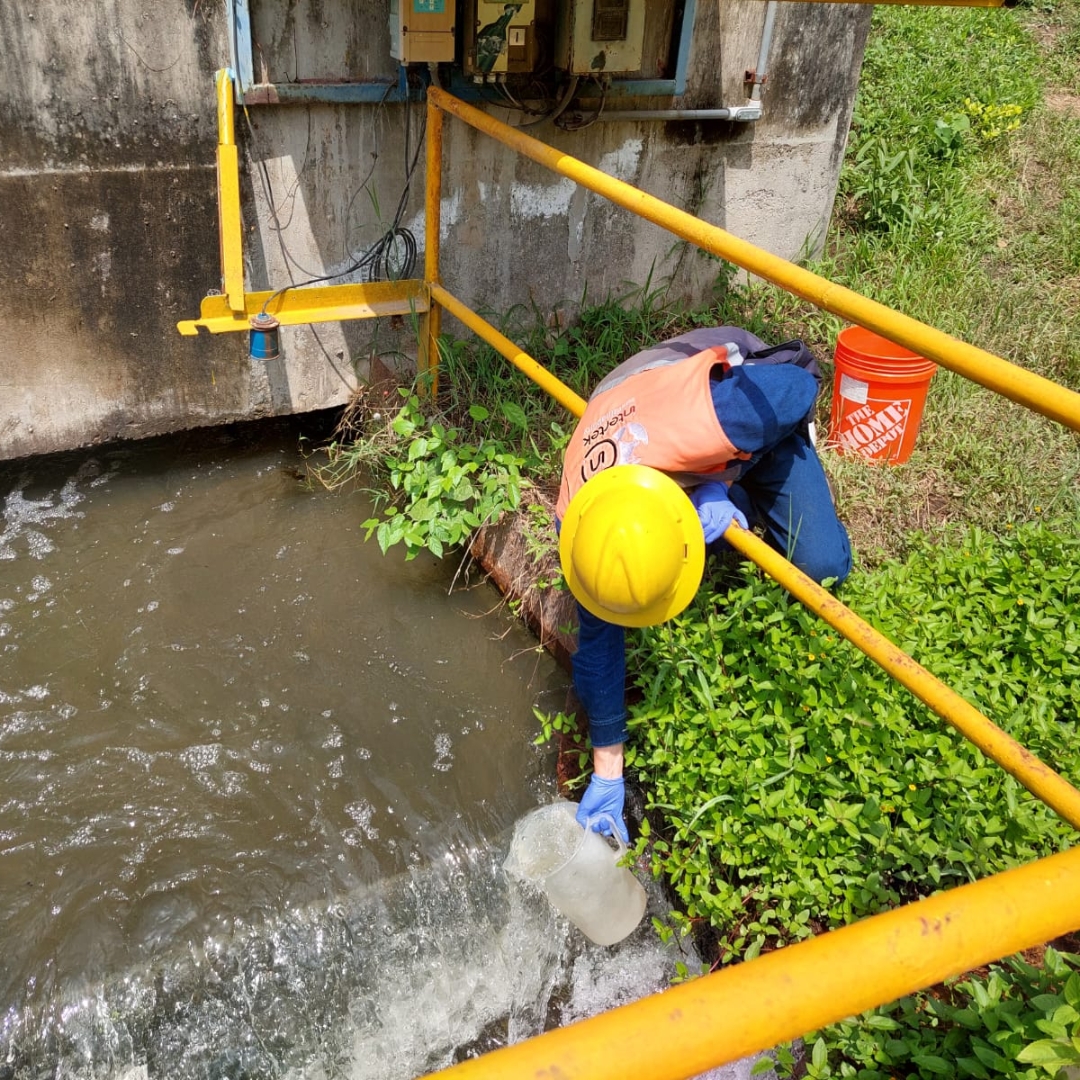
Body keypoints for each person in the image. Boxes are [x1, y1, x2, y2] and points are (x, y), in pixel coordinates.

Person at [556, 326, 853, 843]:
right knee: (718, 525)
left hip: (740, 396)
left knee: (822, 565)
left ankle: (741, 489)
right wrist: (608, 770)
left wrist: (720, 480)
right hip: (630, 398)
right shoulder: (584, 526)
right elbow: (599, 641)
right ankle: (729, 498)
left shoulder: (723, 417)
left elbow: (803, 383)